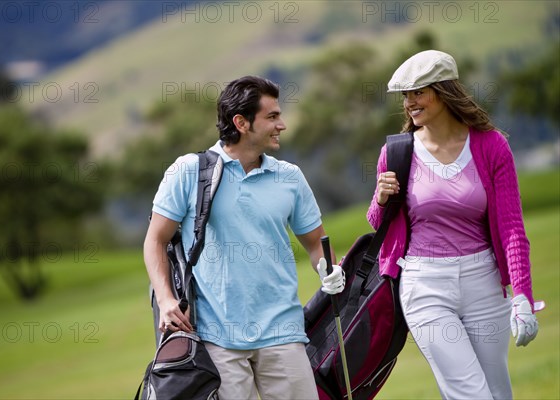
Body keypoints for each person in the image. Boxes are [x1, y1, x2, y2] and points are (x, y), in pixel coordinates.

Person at [143, 75, 345, 400]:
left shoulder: (289, 177)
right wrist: (166, 300)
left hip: (283, 332)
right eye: (272, 116)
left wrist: (330, 270)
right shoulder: (188, 171)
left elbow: (315, 243)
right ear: (242, 122)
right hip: (216, 337)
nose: (282, 125)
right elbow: (155, 239)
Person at [367, 50, 540, 399]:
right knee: (470, 394)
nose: (409, 103)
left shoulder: (492, 146)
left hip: (484, 284)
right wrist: (380, 199)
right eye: (406, 95)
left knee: (496, 392)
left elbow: (511, 228)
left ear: (444, 91)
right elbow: (378, 224)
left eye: (418, 92)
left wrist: (522, 294)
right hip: (424, 284)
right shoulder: (398, 152)